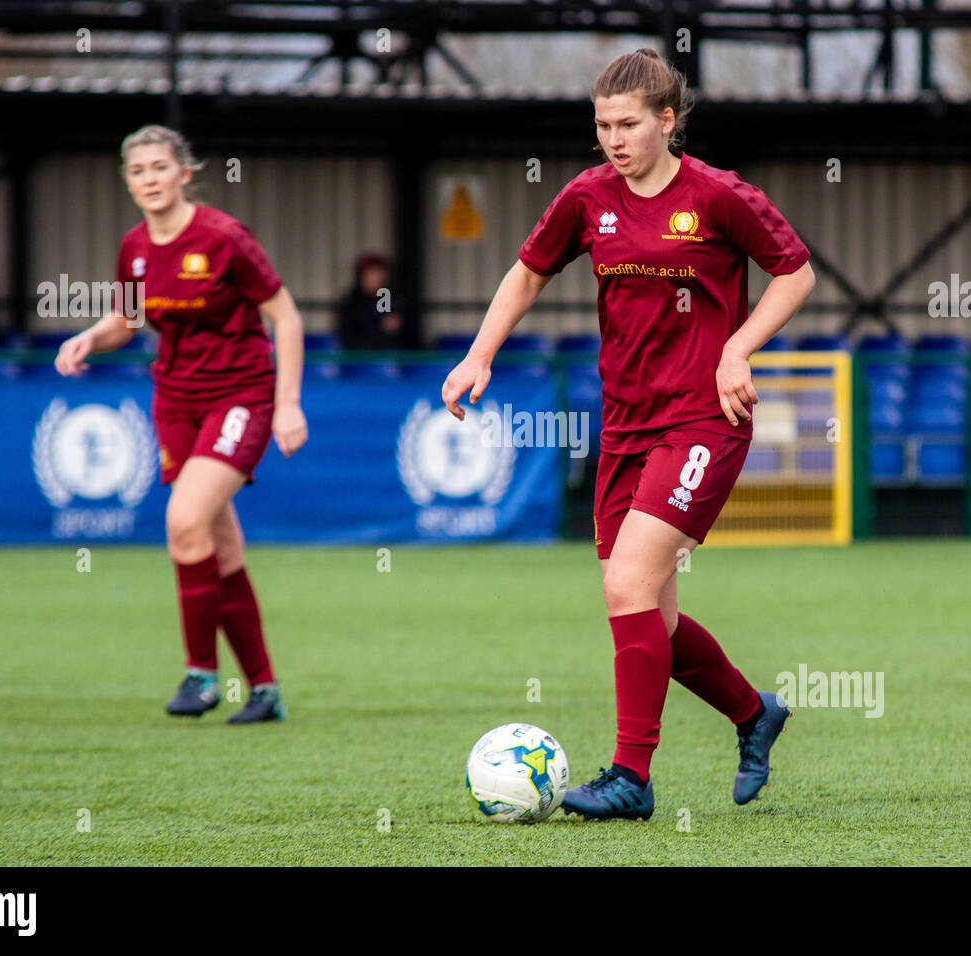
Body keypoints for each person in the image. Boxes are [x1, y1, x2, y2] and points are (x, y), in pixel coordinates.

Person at [442, 49, 816, 819]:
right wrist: (479, 353)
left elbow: (796, 271)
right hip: (625, 424)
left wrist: (737, 348)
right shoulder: (588, 197)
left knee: (627, 586)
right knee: (652, 616)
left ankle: (630, 779)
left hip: (705, 419)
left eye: (628, 124)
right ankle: (754, 714)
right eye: (602, 125)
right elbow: (527, 271)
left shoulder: (717, 195)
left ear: (667, 121)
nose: (613, 139)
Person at [55, 125, 308, 724]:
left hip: (239, 396)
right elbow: (129, 319)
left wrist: (289, 401)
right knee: (217, 547)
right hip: (174, 403)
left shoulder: (224, 238)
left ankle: (200, 674)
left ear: (184, 172)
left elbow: (286, 317)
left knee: (183, 520)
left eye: (159, 167)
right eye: (138, 170)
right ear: (128, 181)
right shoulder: (135, 247)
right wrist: (92, 335)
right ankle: (265, 690)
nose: (150, 179)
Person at [336, 252, 416, 350]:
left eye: (380, 274)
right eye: (372, 274)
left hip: (395, 358)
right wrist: (379, 329)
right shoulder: (352, 302)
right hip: (362, 359)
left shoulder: (396, 299)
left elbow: (413, 337)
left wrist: (400, 326)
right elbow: (348, 338)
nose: (377, 278)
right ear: (362, 276)